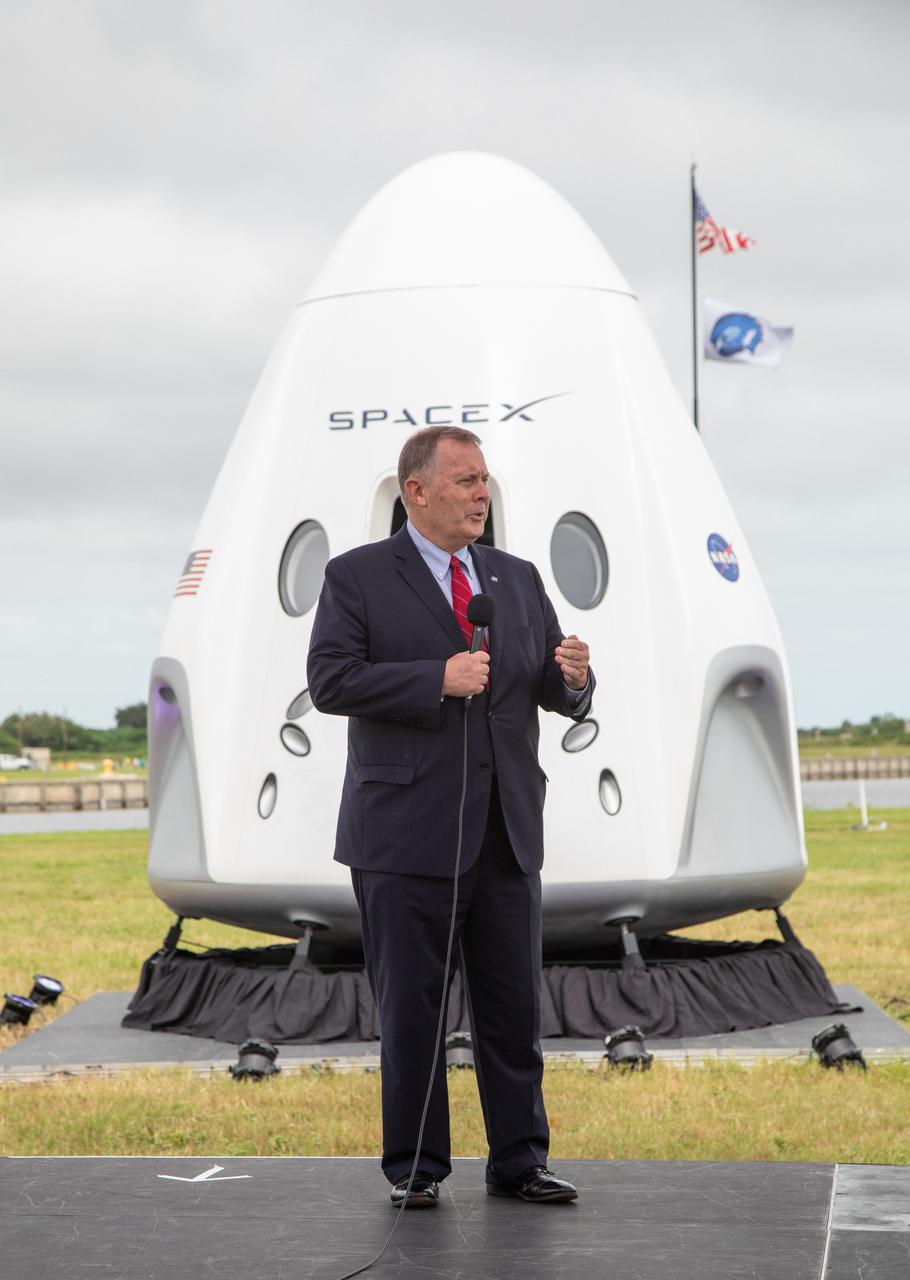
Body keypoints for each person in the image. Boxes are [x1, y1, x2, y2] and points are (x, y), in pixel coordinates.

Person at [307, 426, 593, 1208]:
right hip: (403, 835)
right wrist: (435, 677)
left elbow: (548, 687)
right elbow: (331, 681)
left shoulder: (515, 577)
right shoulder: (357, 575)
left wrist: (574, 677)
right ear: (417, 492)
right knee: (413, 1013)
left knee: (513, 1009)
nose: (481, 494)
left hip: (505, 830)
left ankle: (520, 1160)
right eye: (465, 481)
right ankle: (416, 1169)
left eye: (484, 480)